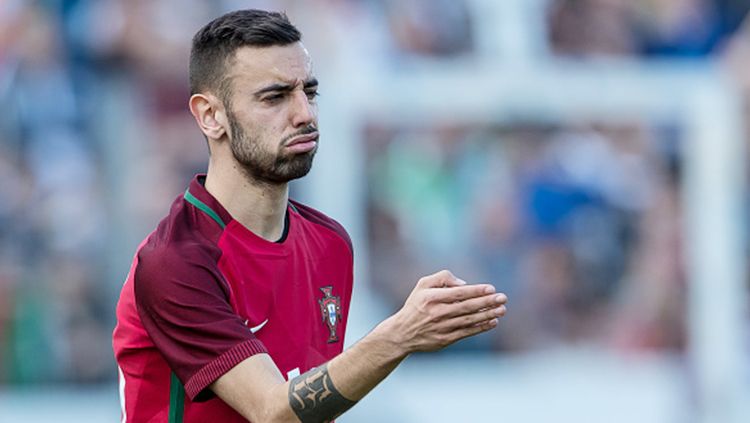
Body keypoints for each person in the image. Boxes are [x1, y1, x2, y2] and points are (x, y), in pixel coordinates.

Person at [112, 9, 508, 423]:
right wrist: (400, 335)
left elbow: (313, 407)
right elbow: (273, 412)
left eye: (309, 92)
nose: (305, 114)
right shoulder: (176, 262)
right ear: (211, 116)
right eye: (274, 97)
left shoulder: (329, 243)